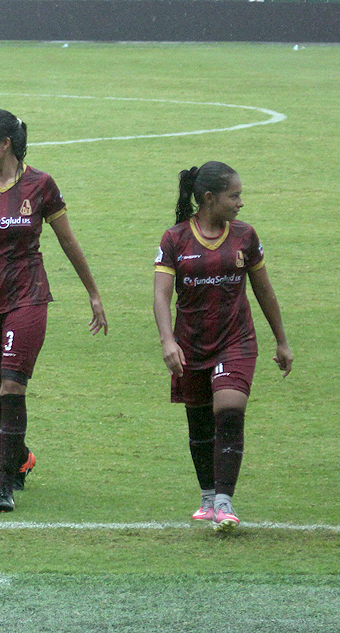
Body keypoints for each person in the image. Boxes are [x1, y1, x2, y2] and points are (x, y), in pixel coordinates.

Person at [0, 109, 107, 513]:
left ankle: (4, 486)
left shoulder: (40, 185)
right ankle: (21, 455)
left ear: (5, 144)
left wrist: (93, 293)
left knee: (13, 385)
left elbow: (68, 241)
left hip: (27, 294)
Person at [153, 161, 292, 532]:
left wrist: (281, 340)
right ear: (210, 198)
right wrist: (167, 341)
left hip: (237, 340)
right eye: (235, 196)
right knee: (199, 423)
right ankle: (208, 496)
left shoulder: (245, 236)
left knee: (229, 411)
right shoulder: (175, 239)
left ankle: (225, 503)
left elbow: (264, 289)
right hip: (191, 344)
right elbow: (161, 295)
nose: (241, 203)